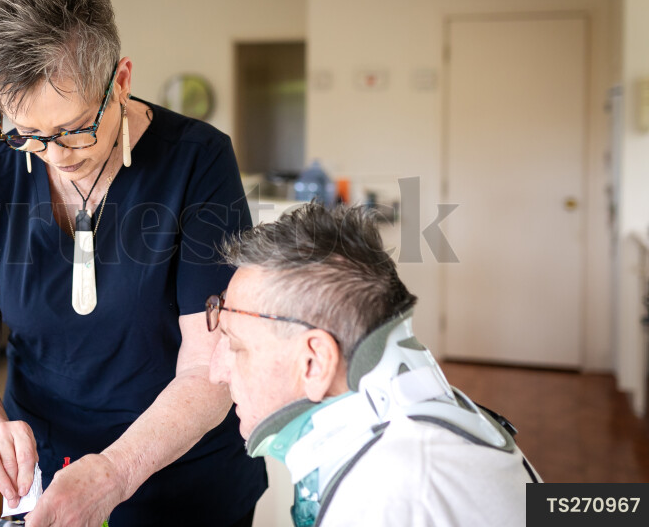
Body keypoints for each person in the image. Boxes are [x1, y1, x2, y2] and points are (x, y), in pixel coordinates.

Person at [0, 0, 266, 527]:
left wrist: (113, 473)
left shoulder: (198, 162)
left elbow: (209, 366)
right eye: (27, 134)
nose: (53, 155)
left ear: (121, 79)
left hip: (181, 478)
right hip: (47, 481)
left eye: (75, 128)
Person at [207, 203, 539, 527]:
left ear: (315, 362)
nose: (216, 372)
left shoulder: (387, 495)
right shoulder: (416, 442)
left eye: (235, 344)